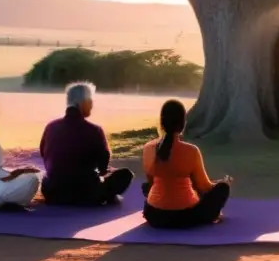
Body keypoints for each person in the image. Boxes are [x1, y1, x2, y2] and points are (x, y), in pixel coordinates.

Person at [40, 82, 134, 206]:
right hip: (86, 194)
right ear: (82, 103)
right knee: (125, 174)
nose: (92, 105)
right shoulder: (95, 130)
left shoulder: (51, 127)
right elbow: (103, 167)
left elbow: (44, 153)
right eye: (90, 101)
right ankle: (108, 197)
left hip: (53, 192)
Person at [141, 100, 231, 229]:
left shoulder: (148, 148)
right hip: (185, 216)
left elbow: (151, 182)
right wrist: (222, 182)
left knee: (147, 186)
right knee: (223, 188)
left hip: (154, 215)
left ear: (161, 123)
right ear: (183, 124)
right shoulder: (191, 151)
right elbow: (204, 187)